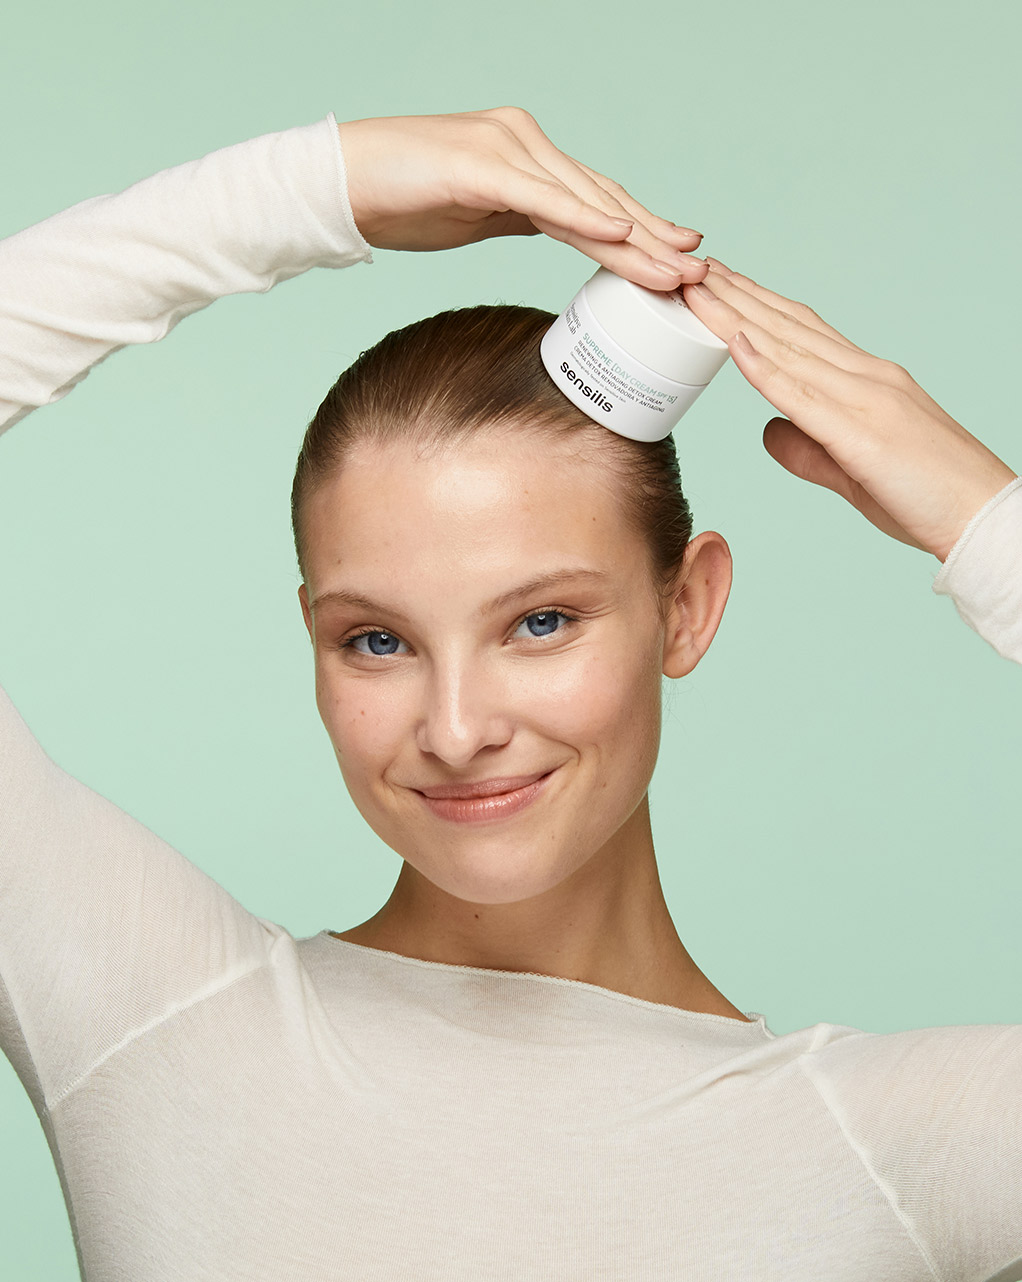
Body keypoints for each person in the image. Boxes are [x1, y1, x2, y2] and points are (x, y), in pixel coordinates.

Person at [1, 106, 1019, 1280]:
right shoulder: (150, 1020)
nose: (456, 728)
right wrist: (315, 184)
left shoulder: (898, 1149)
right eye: (376, 640)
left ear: (685, 606)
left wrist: (982, 521)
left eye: (539, 622)